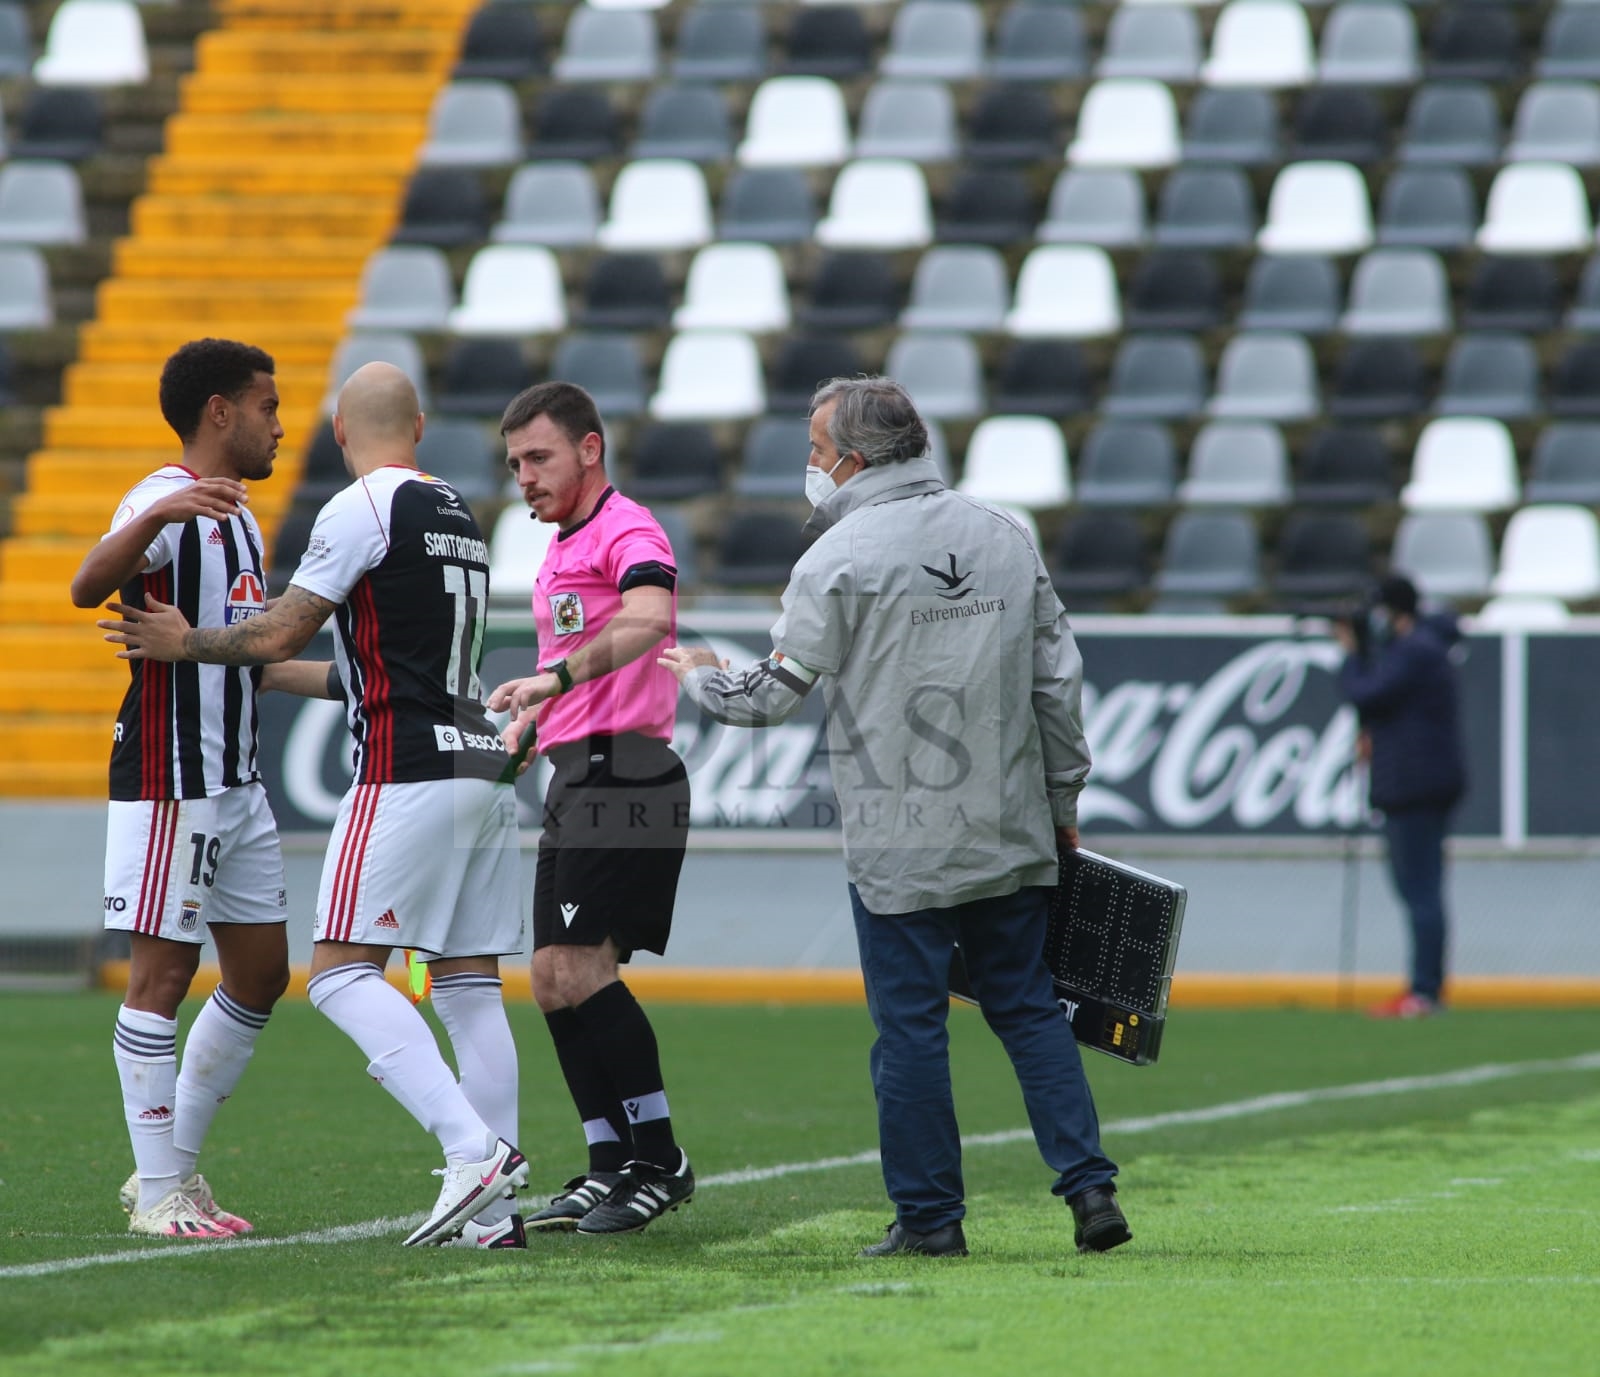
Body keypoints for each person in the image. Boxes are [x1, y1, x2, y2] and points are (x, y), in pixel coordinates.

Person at [658, 375, 1129, 1259]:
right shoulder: (1004, 536)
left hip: (897, 838)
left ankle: (930, 1220)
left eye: (813, 447)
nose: (809, 463)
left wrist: (698, 673)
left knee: (911, 1029)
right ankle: (1090, 1189)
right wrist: (1061, 804)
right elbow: (1057, 689)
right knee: (1029, 1010)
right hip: (1009, 822)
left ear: (855, 455)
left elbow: (765, 700)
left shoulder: (834, 558)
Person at [99, 363, 531, 1249]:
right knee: (471, 988)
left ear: (343, 433)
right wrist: (235, 657)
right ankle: (496, 1216)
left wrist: (188, 644)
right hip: (480, 762)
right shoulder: (460, 513)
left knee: (337, 972)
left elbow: (282, 629)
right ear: (418, 422)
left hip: (405, 769)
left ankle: (471, 1150)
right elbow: (351, 663)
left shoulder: (360, 507)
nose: (284, 427)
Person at [69, 337, 297, 1240]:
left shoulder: (238, 517)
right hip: (173, 775)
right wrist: (159, 511)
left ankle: (169, 1172)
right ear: (220, 412)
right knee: (160, 975)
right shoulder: (160, 498)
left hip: (236, 779)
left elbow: (239, 650)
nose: (280, 425)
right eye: (268, 407)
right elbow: (88, 584)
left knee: (262, 972)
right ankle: (159, 1189)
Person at [486, 380, 694, 1236]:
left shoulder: (627, 527)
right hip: (580, 769)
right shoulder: (562, 544)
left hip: (629, 772)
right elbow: (579, 653)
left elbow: (650, 618)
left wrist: (558, 680)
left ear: (589, 449)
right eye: (513, 463)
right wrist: (539, 718)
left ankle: (661, 1159)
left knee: (582, 972)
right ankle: (609, 1162)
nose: (524, 476)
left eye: (538, 457)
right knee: (548, 980)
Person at [1334, 574, 1467, 1019]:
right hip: (1418, 783)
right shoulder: (1423, 649)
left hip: (1415, 786)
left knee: (1420, 889)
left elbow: (1364, 695)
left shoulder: (1414, 651)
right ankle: (1426, 988)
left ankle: (1425, 991)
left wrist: (1353, 655)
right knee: (1420, 889)